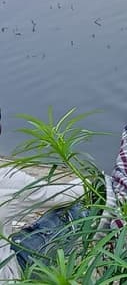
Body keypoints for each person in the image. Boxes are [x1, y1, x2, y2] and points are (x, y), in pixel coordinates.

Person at [0, 109, 84, 281]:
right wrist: (95, 181)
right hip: (7, 277)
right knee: (78, 209)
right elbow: (66, 194)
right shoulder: (6, 180)